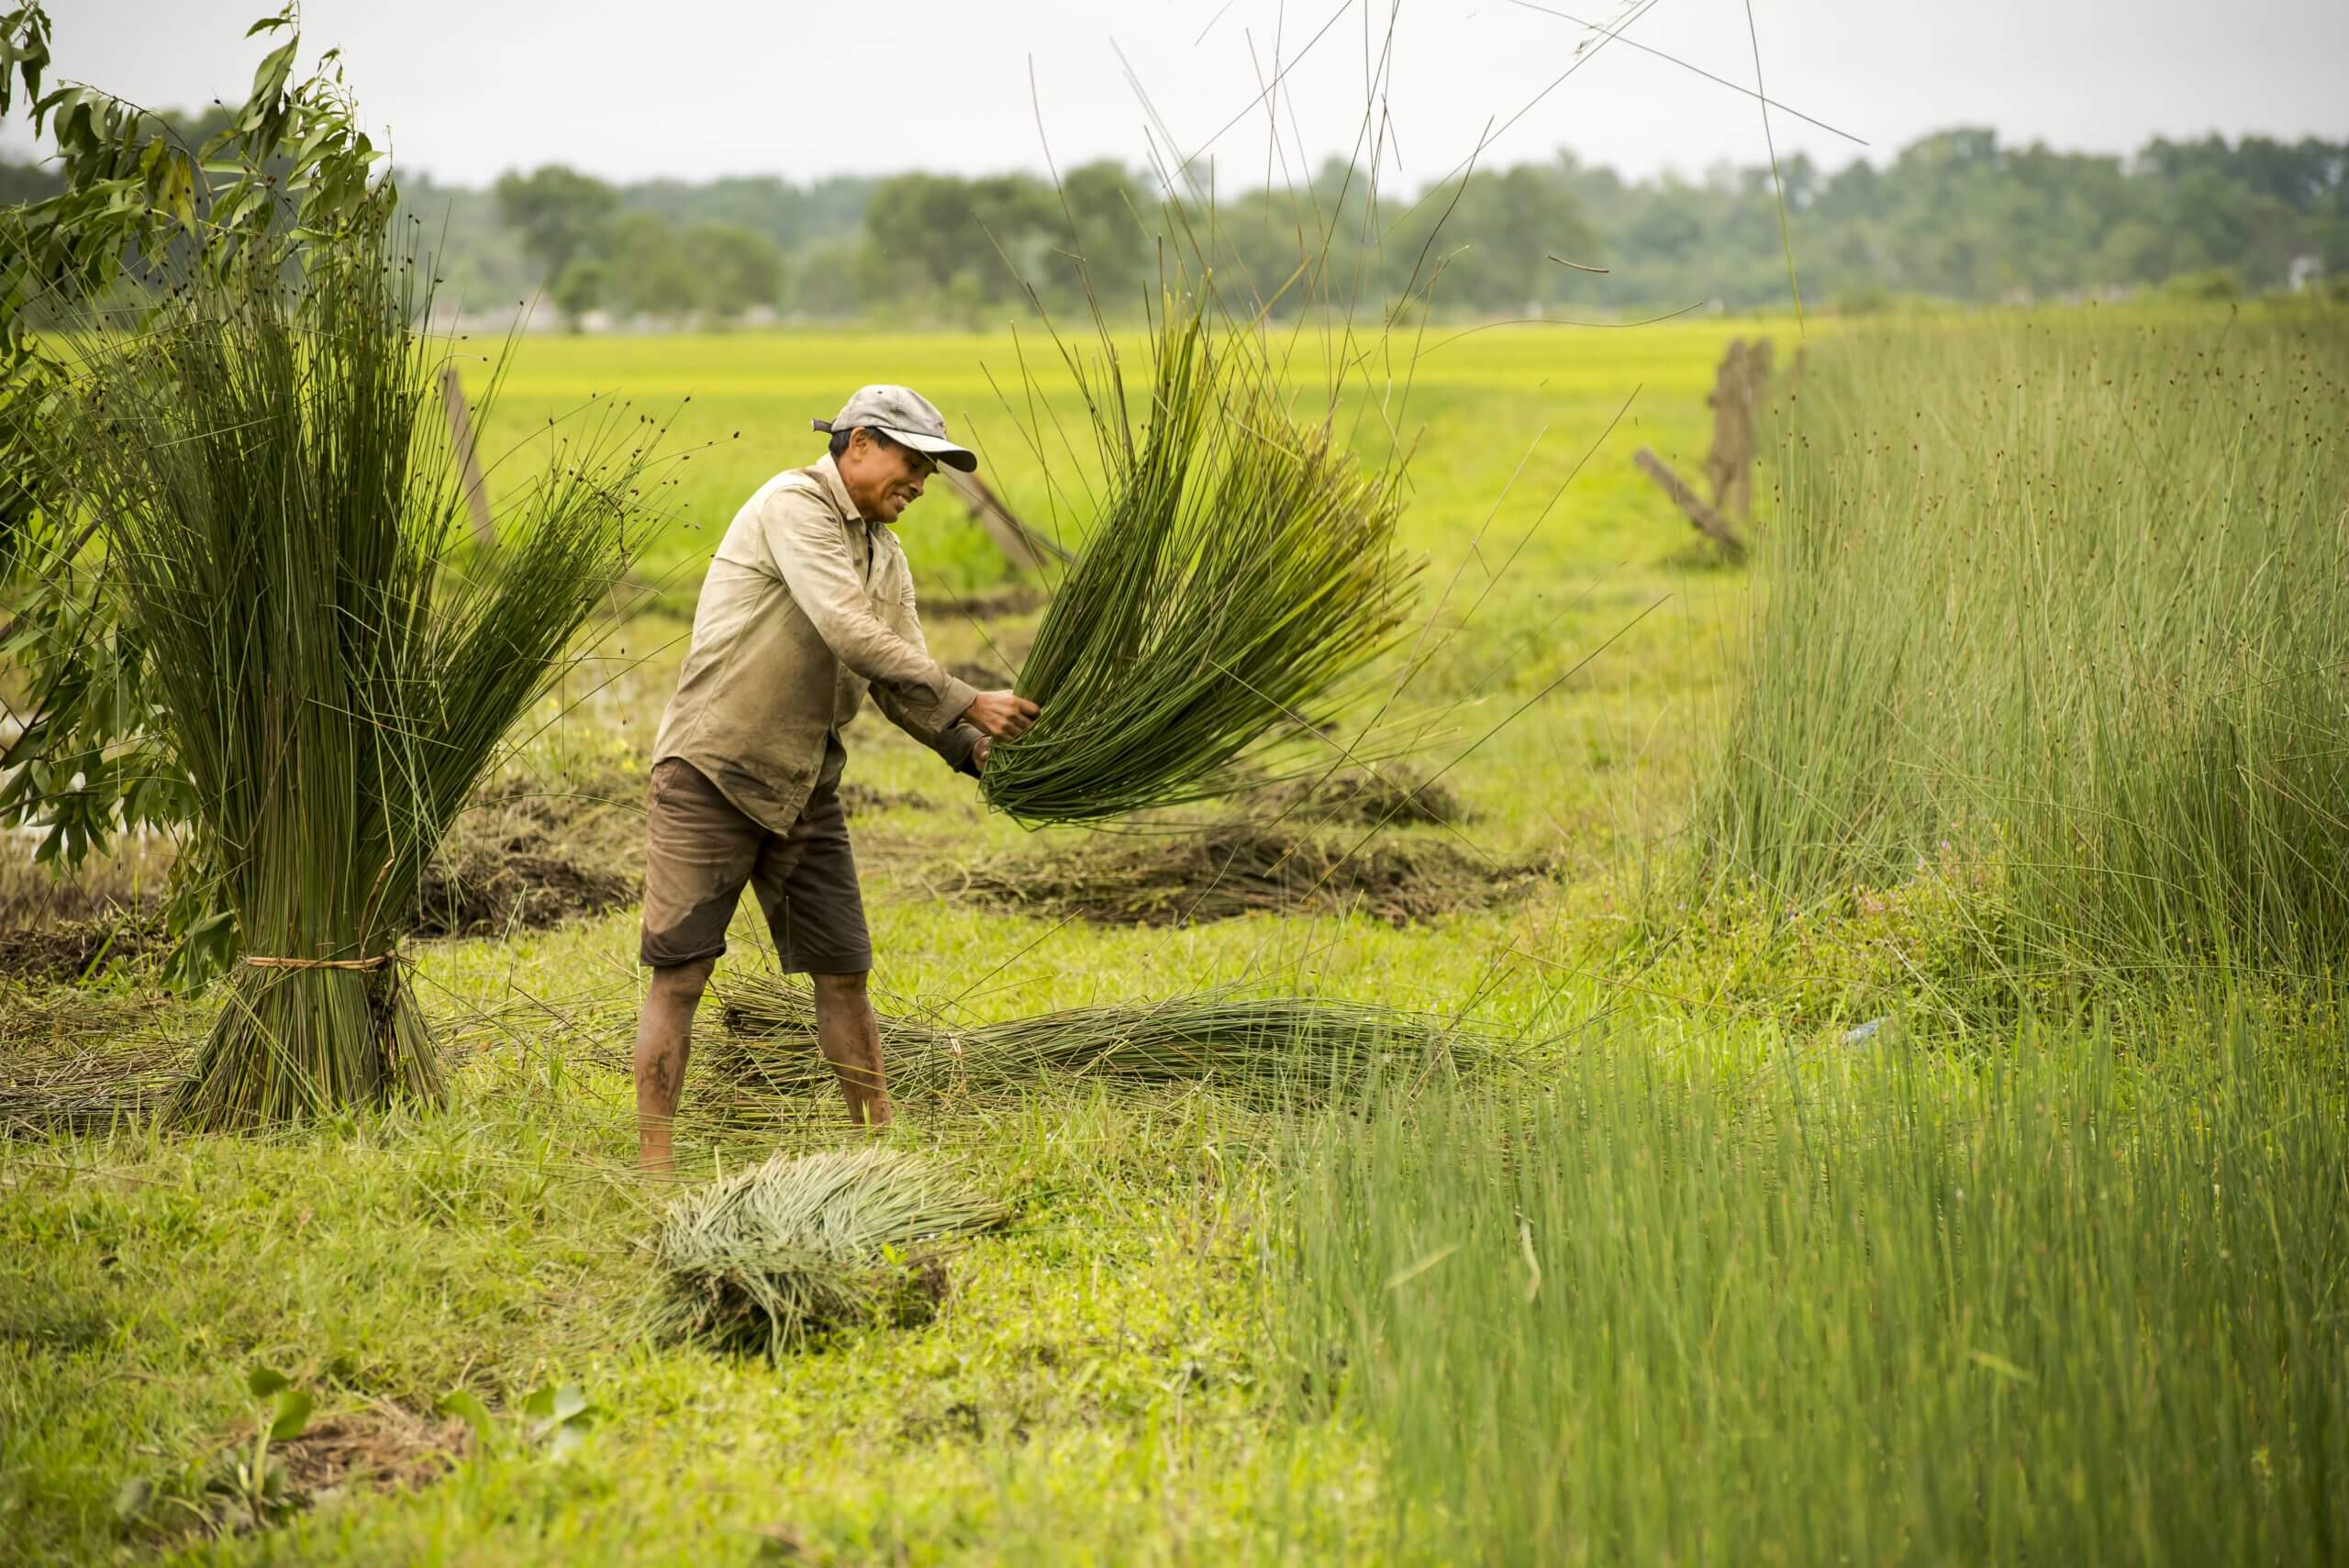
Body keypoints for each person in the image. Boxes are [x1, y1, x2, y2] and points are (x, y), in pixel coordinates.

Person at [631, 384, 1039, 1173]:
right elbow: (845, 629)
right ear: (858, 444)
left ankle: (878, 1150)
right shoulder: (795, 505)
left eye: (930, 469)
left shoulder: (888, 555)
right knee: (681, 974)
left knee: (845, 972)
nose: (921, 482)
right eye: (912, 461)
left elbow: (899, 684)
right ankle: (655, 1171)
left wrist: (970, 747)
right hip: (713, 772)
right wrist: (970, 698)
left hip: (805, 786)